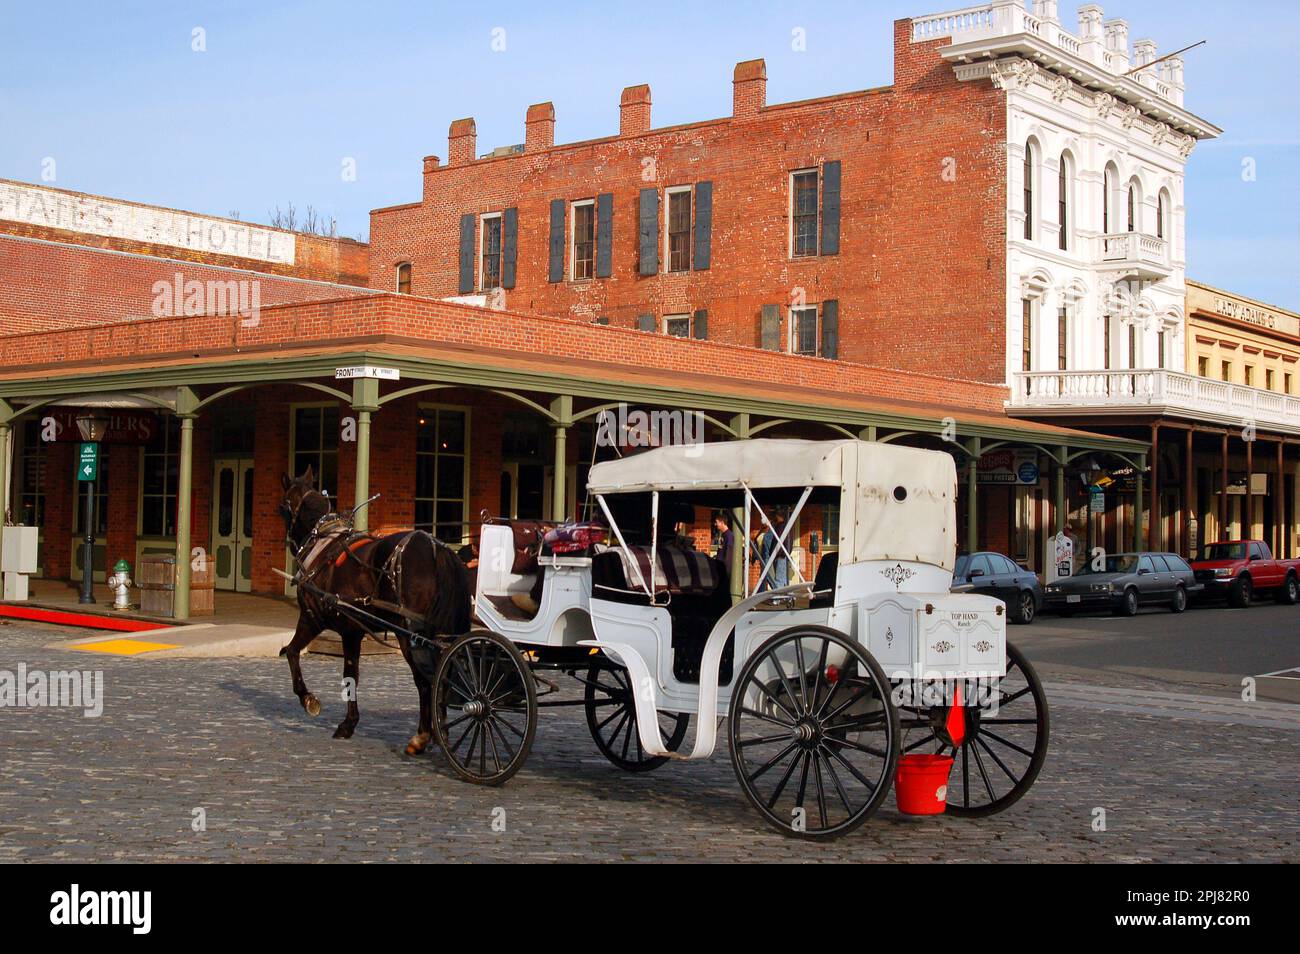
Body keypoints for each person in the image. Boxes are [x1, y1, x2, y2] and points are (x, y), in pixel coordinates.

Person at [754, 511, 789, 592]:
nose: (763, 522)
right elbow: (757, 542)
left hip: (768, 556)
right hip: (761, 556)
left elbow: (772, 542)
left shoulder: (773, 530)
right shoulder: (762, 530)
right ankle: (762, 593)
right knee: (764, 576)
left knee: (769, 576)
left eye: (765, 520)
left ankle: (776, 592)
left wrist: (772, 554)